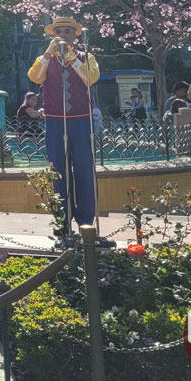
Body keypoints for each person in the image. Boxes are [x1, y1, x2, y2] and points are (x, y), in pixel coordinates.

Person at [27, 16, 112, 246]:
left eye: (67, 30)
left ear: (76, 35)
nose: (62, 34)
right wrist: (48, 53)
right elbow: (35, 76)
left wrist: (72, 57)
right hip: (55, 121)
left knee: (84, 170)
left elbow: (90, 78)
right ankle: (62, 225)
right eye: (58, 31)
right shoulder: (44, 59)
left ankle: (86, 222)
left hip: (82, 121)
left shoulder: (87, 58)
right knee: (58, 172)